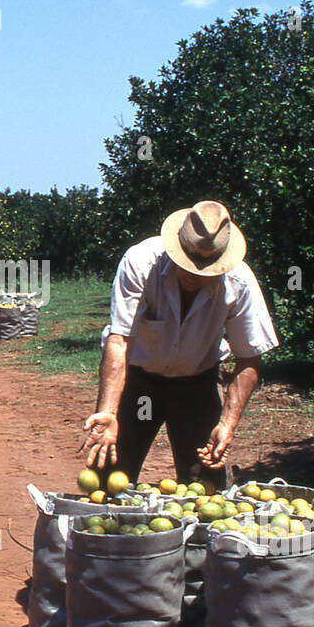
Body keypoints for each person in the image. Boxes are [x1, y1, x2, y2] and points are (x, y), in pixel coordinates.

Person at [79, 200, 279, 487]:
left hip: (196, 385)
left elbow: (249, 358)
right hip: (138, 382)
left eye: (205, 268)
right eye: (188, 264)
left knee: (207, 483)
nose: (195, 274)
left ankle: (202, 532)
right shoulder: (141, 262)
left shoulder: (239, 281)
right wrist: (108, 412)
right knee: (111, 474)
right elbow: (120, 339)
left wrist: (227, 424)